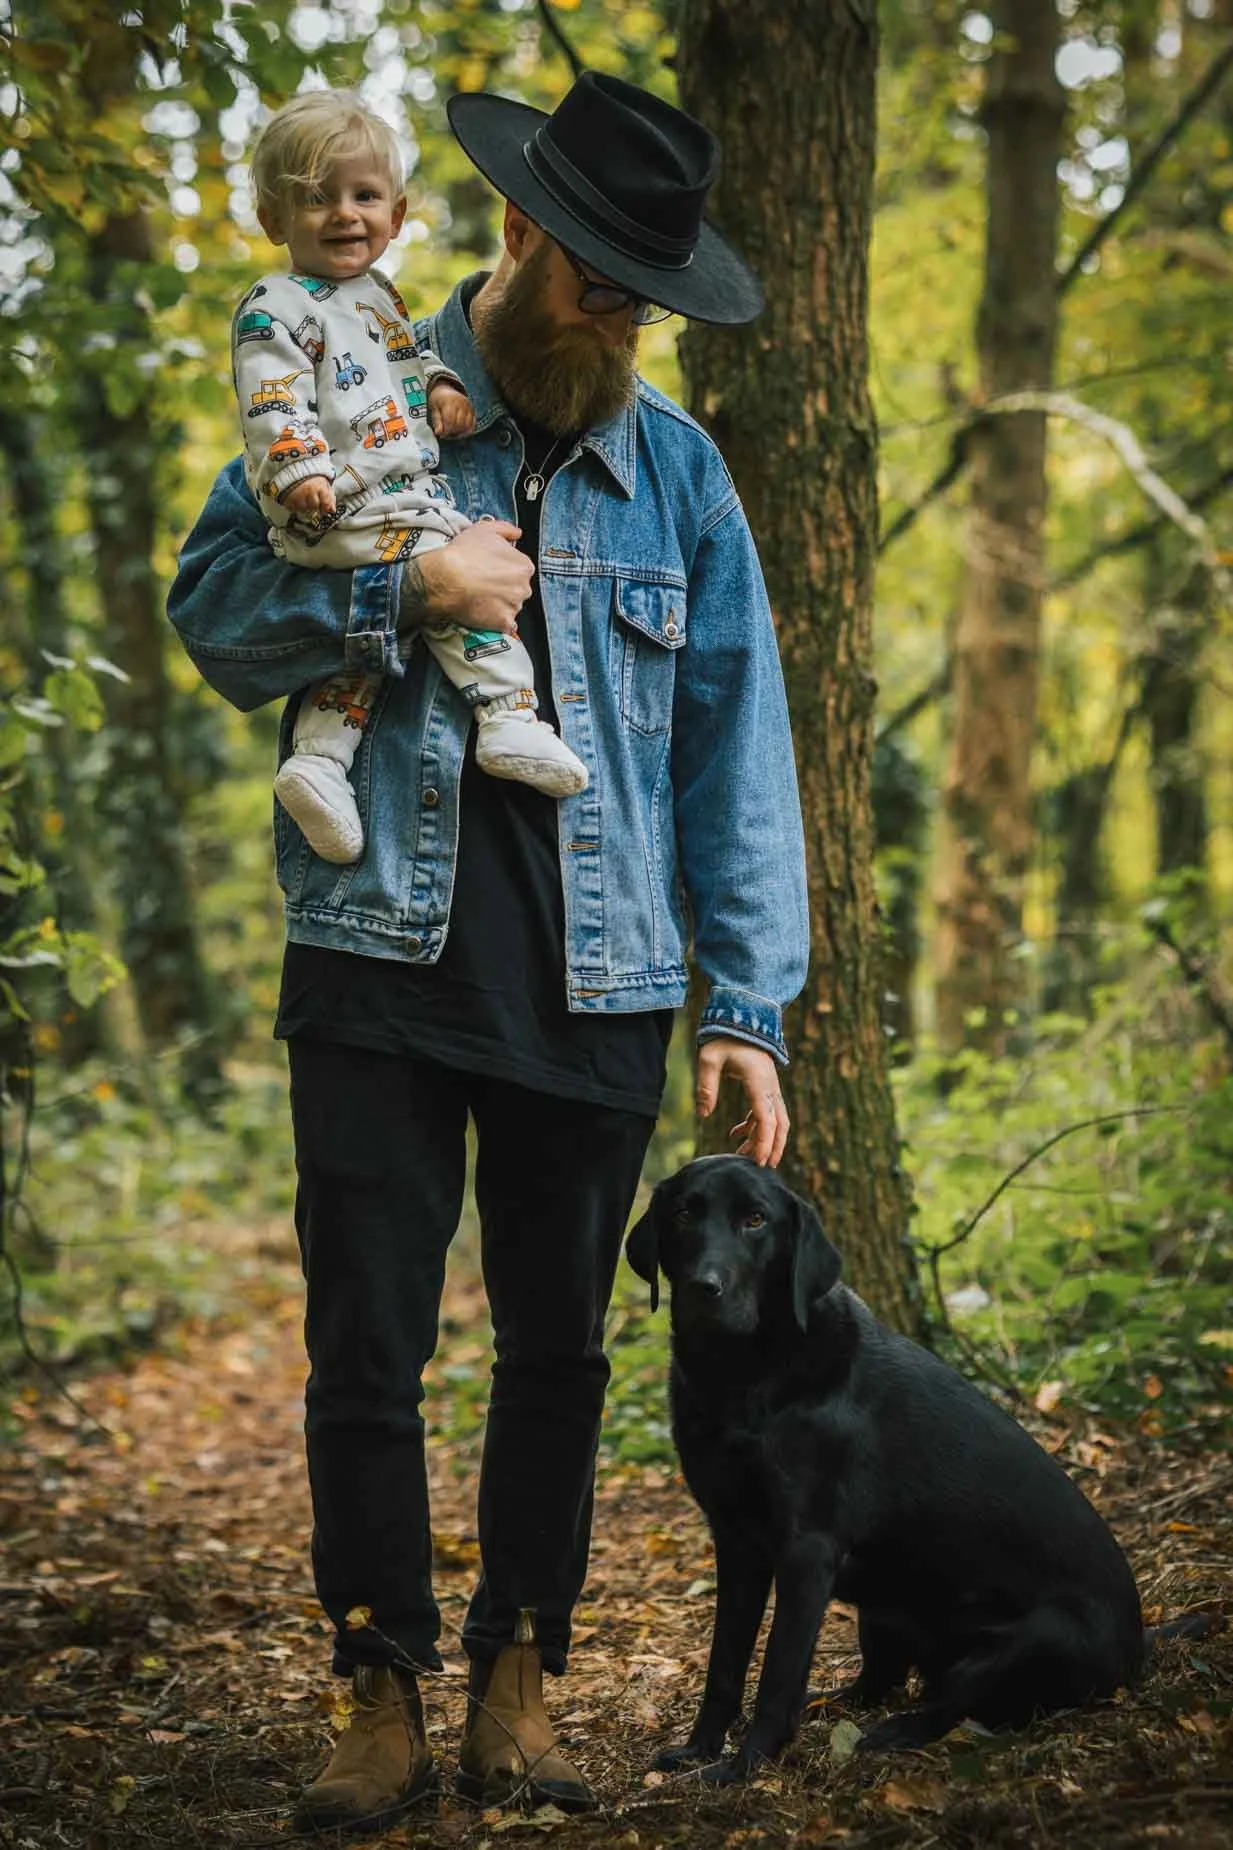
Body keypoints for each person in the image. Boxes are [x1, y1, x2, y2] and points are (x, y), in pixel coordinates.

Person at [169, 69, 809, 1835]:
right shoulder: (343, 379)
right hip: (379, 951)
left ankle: (518, 1677)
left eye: (648, 293)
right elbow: (213, 611)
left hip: (601, 975)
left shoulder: (676, 475)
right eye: (600, 273)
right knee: (364, 1347)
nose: (623, 315)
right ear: (520, 232)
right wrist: (401, 594)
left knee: (559, 1354)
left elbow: (733, 753)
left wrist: (746, 1005)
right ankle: (373, 1682)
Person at [236, 89, 587, 864]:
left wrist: (438, 388)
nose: (343, 214)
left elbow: (405, 360)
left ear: (396, 217)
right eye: (315, 200)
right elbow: (272, 393)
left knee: (383, 633)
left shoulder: (379, 300)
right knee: (463, 568)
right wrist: (297, 467)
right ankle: (505, 711)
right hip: (342, 496)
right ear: (272, 221)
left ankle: (321, 761)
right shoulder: (278, 303)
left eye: (363, 196)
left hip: (390, 492)